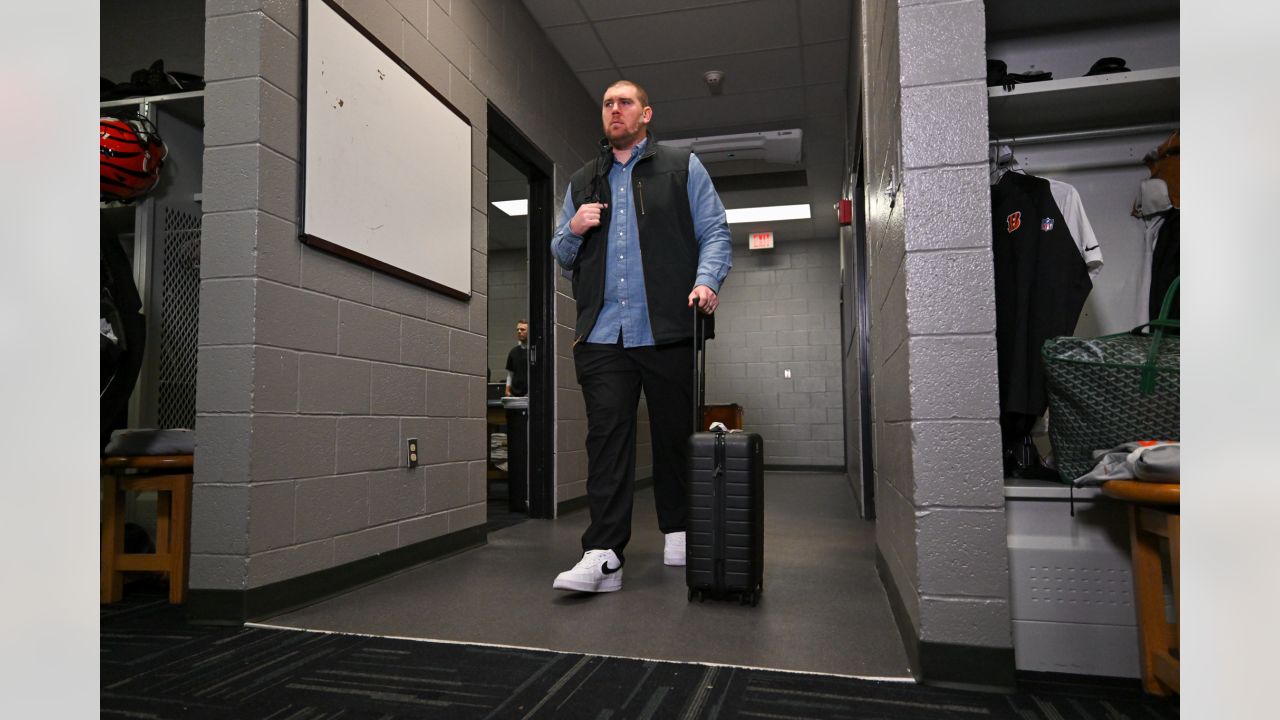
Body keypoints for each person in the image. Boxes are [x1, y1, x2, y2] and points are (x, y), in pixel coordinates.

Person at [549, 79, 732, 593]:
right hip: (604, 334)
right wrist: (574, 228)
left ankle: (679, 529)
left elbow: (715, 231)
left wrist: (705, 280)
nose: (614, 110)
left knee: (676, 436)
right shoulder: (584, 182)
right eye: (607, 104)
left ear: (645, 114)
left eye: (624, 102)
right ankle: (603, 553)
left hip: (667, 327)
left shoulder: (681, 166)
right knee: (607, 441)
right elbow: (561, 255)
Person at [504, 319, 529, 397]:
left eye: (522, 329)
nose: (519, 331)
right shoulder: (513, 352)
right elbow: (510, 374)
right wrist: (507, 390)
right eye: (517, 329)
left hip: (529, 396)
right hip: (514, 395)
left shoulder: (534, 352)